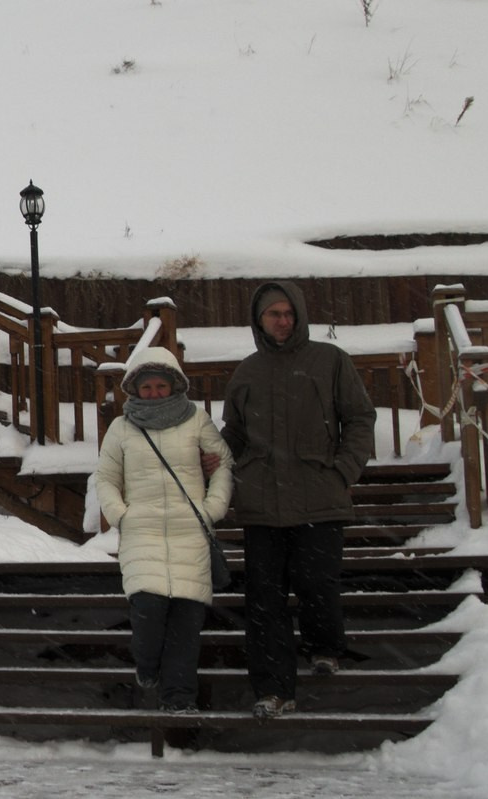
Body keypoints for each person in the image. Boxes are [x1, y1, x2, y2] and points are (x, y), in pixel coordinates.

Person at [220, 281, 376, 718]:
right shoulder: (247, 372)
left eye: (288, 313)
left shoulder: (329, 361)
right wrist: (213, 460)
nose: (282, 321)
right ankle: (273, 690)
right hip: (261, 503)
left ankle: (324, 646)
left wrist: (344, 469)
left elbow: (360, 417)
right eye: (273, 314)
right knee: (264, 600)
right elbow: (233, 432)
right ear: (260, 320)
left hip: (318, 496)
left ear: (300, 315)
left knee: (316, 583)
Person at [93, 346, 232, 714]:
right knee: (148, 614)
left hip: (191, 533)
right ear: (134, 389)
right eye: (147, 386)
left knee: (186, 626)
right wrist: (122, 515)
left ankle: (179, 700)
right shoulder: (121, 428)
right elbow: (106, 477)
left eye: (161, 385)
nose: (154, 392)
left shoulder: (197, 420)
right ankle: (148, 667)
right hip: (143, 533)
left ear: (174, 386)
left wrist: (212, 508)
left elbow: (222, 465)